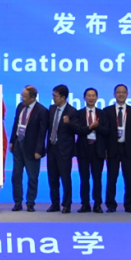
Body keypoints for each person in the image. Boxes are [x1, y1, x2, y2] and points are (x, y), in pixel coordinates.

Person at [8, 85, 48, 212]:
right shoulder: (20, 106)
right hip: (18, 145)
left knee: (32, 177)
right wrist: (12, 141)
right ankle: (17, 202)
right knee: (16, 175)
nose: (22, 98)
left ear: (33, 97)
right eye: (21, 96)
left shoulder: (42, 111)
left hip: (32, 148)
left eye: (24, 97)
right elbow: (16, 124)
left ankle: (30, 203)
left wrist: (39, 150)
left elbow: (42, 133)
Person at [103, 84, 131, 213]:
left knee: (129, 179)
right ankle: (111, 205)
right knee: (111, 178)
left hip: (128, 148)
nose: (121, 94)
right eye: (118, 92)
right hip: (112, 149)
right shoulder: (107, 111)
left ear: (127, 94)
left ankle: (129, 206)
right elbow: (105, 133)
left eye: (123, 92)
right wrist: (105, 150)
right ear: (114, 94)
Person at [44, 84, 81, 214]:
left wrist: (69, 122)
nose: (53, 98)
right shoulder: (52, 108)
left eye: (55, 96)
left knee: (65, 179)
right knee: (52, 179)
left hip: (64, 151)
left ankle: (66, 204)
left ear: (63, 97)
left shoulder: (72, 111)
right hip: (52, 148)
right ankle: (55, 204)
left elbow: (78, 129)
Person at [76, 87, 108, 214]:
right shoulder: (78, 113)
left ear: (97, 98)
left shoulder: (102, 113)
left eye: (93, 95)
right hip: (83, 149)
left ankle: (97, 204)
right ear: (84, 98)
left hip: (97, 149)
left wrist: (97, 127)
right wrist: (90, 127)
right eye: (88, 95)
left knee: (97, 179)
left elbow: (107, 131)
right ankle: (85, 204)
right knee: (84, 179)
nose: (91, 98)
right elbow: (78, 130)